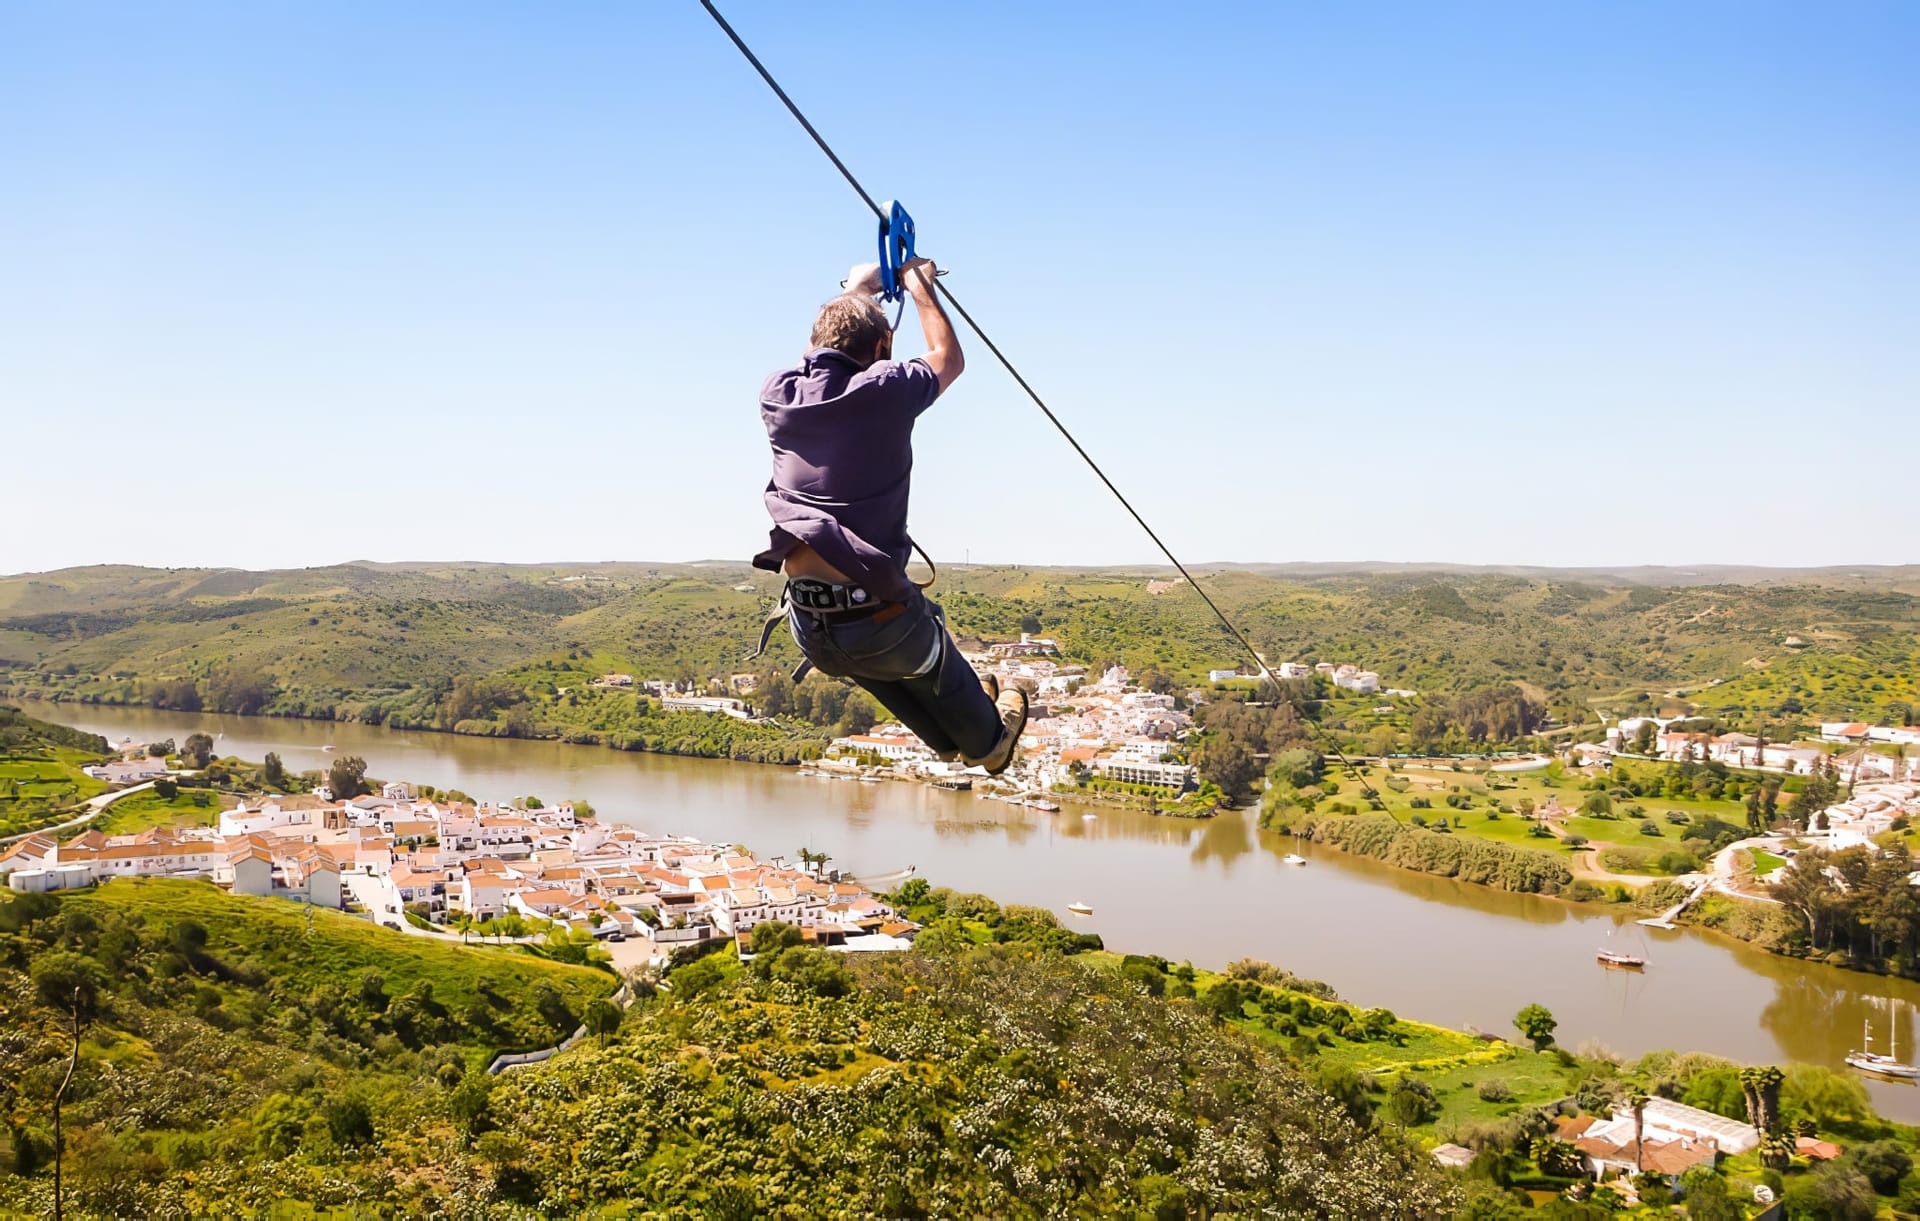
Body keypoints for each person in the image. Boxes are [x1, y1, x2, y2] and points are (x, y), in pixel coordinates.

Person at [752, 255, 1028, 773]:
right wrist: (920, 287)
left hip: (811, 630)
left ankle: (943, 743)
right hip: (882, 625)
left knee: (876, 661)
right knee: (925, 646)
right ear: (881, 349)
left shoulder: (778, 394)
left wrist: (858, 289)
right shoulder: (884, 389)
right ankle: (983, 740)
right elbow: (948, 357)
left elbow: (819, 351)